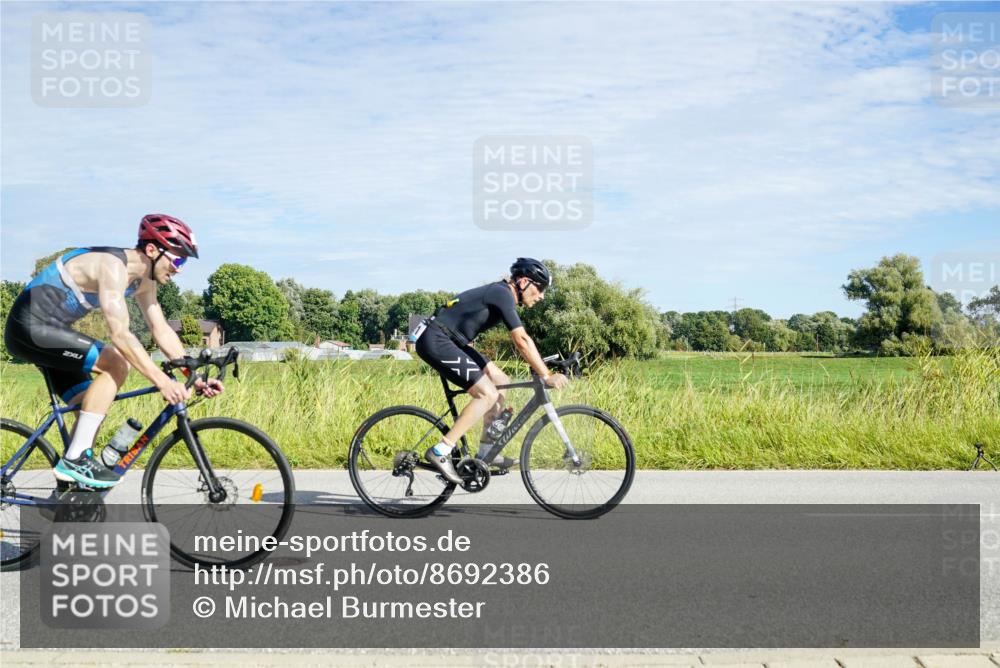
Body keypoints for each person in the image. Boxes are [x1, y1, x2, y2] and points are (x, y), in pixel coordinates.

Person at [3, 214, 223, 489]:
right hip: (30, 328)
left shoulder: (144, 281)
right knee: (116, 364)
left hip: (51, 331)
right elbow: (120, 334)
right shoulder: (113, 267)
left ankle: (72, 491)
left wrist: (194, 377)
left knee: (89, 406)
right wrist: (162, 381)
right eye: (177, 260)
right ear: (152, 250)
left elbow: (161, 329)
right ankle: (74, 460)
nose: (179, 269)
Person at [414, 258, 569, 483]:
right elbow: (521, 340)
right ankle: (441, 450)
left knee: (500, 379)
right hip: (437, 340)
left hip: (452, 341)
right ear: (523, 282)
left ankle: (486, 452)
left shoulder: (502, 295)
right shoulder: (502, 293)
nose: (542, 295)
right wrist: (546, 375)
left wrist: (543, 367)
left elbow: (523, 341)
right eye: (540, 288)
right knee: (487, 394)